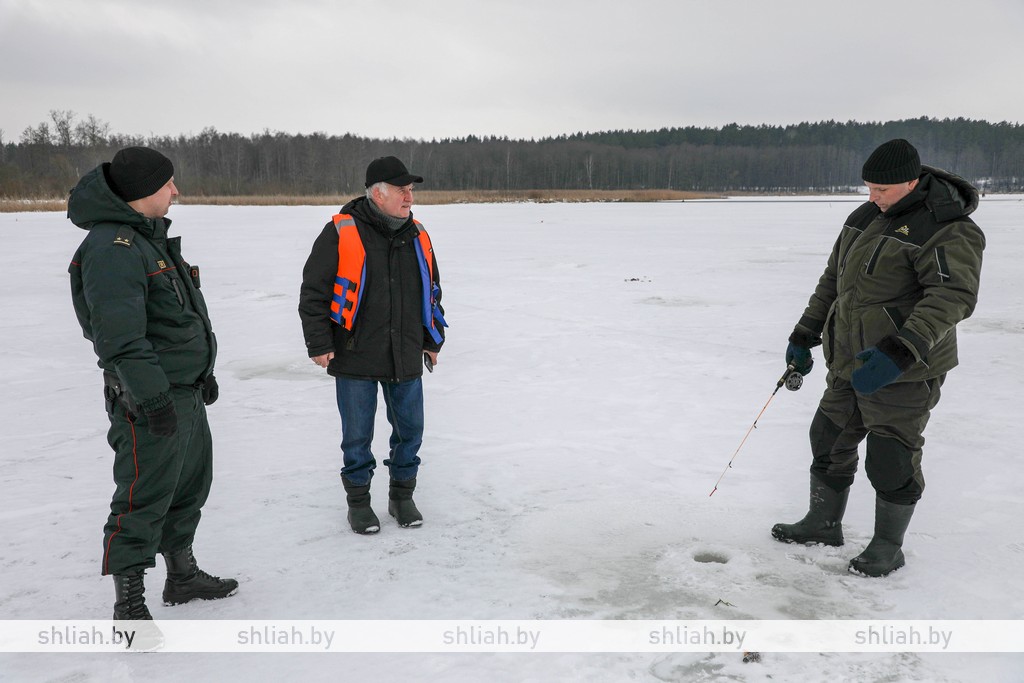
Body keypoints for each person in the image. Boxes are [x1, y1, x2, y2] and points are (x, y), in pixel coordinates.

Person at [772, 139, 985, 577]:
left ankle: (888, 546)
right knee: (828, 439)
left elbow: (952, 297)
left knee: (890, 458)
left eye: (882, 190)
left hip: (904, 369)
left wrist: (901, 350)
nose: (873, 197)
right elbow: (833, 281)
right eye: (868, 188)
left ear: (912, 181)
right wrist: (805, 333)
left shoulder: (949, 227)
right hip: (849, 359)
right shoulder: (865, 216)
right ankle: (822, 523)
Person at [68, 147, 238, 621]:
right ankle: (129, 604)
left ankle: (181, 575)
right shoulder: (112, 249)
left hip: (182, 391)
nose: (175, 190)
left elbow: (174, 317)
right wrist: (152, 396)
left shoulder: (148, 238)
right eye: (168, 183)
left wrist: (201, 374)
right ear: (144, 191)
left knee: (188, 487)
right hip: (149, 398)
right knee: (142, 498)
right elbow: (120, 338)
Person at [299, 156, 447, 534]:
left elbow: (431, 293)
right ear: (378, 194)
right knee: (357, 437)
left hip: (406, 353)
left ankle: (402, 497)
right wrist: (319, 343)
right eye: (403, 189)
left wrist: (432, 340)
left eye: (411, 189)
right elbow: (313, 293)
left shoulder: (419, 235)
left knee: (410, 431)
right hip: (354, 353)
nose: (410, 196)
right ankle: (359, 504)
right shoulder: (340, 232)